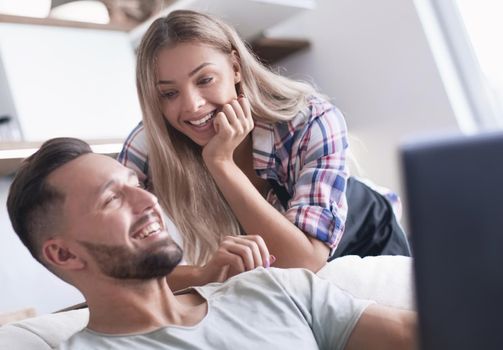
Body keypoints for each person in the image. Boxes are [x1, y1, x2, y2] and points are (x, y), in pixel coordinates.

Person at [7, 138, 416, 350]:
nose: (148, 201)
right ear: (63, 254)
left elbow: (416, 336)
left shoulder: (272, 287)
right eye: (113, 198)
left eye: (136, 185)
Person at [119, 9, 410, 290]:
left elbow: (303, 261)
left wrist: (221, 163)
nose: (192, 105)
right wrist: (203, 273)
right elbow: (117, 266)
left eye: (205, 80)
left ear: (234, 68)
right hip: (280, 269)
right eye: (170, 93)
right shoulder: (148, 146)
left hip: (366, 240)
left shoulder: (310, 120)